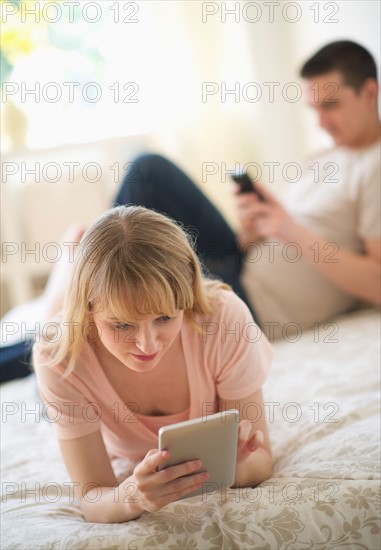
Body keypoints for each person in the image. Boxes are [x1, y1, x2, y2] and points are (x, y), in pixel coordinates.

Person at [1, 39, 380, 380]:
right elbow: (279, 241)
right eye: (313, 108)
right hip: (241, 259)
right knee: (148, 170)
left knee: (138, 288)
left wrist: (289, 230)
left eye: (331, 105)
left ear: (370, 92)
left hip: (250, 300)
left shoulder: (375, 165)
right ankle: (96, 273)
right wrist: (255, 227)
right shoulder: (326, 157)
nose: (321, 122)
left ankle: (78, 303)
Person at [33, 205, 273, 523]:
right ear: (88, 310)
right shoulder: (59, 356)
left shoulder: (224, 319)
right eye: (122, 325)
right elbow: (94, 499)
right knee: (46, 329)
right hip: (65, 362)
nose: (147, 345)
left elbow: (261, 461)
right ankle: (66, 263)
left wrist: (237, 466)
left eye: (165, 317)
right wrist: (131, 497)